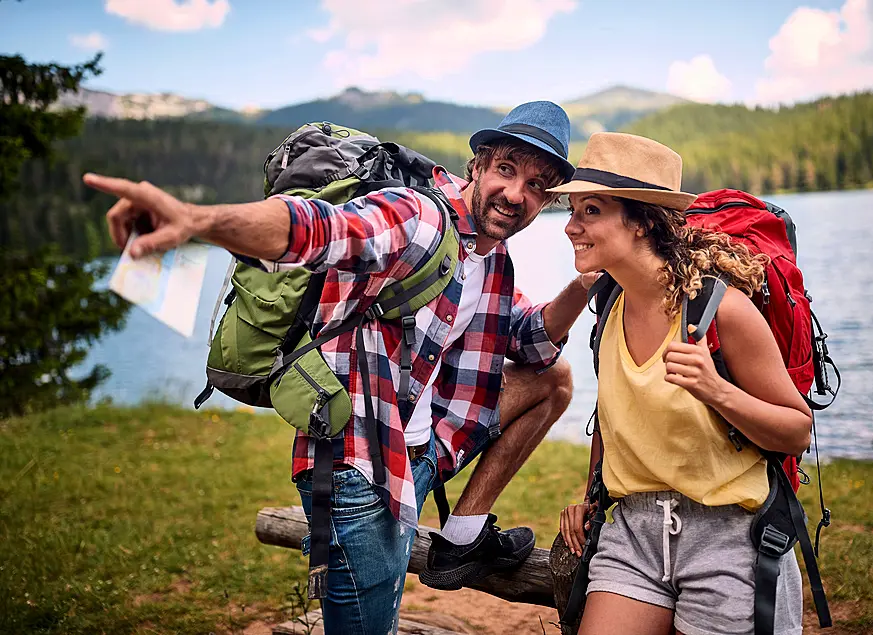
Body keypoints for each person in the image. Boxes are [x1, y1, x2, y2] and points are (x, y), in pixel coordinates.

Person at [85, 101, 598, 635]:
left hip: (416, 454)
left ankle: (462, 535)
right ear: (477, 167)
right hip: (361, 469)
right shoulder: (417, 217)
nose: (516, 195)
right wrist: (198, 220)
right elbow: (317, 228)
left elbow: (532, 341)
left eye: (537, 185)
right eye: (507, 171)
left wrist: (586, 282)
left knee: (554, 379)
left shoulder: (491, 256)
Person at [554, 133, 812, 635]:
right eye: (572, 210)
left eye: (590, 210)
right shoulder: (608, 306)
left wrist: (717, 389)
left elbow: (796, 430)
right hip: (633, 531)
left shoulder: (723, 311)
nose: (570, 226)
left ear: (644, 220)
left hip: (729, 535)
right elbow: (613, 416)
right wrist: (592, 494)